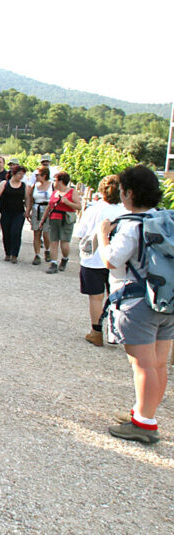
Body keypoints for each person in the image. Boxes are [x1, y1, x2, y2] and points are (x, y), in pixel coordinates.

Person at [97, 165, 172, 444]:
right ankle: (144, 412)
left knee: (142, 365)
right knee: (159, 364)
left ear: (128, 193)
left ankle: (144, 424)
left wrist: (103, 235)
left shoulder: (131, 225)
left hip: (138, 301)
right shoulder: (165, 218)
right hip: (166, 298)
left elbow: (111, 260)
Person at [74, 175, 126, 346]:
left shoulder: (93, 210)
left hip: (93, 259)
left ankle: (96, 332)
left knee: (96, 297)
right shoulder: (125, 212)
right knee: (116, 297)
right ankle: (114, 332)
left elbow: (81, 234)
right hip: (118, 260)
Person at [41, 172, 82, 275]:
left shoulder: (72, 191)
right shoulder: (55, 192)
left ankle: (65, 258)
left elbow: (79, 206)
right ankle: (53, 263)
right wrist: (43, 219)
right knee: (53, 241)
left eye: (55, 180)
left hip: (66, 219)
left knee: (64, 242)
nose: (53, 182)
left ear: (61, 181)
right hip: (54, 218)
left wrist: (68, 202)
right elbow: (49, 206)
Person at [0, 164, 28, 263]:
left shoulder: (24, 186)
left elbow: (27, 199)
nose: (21, 176)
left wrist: (28, 210)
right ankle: (8, 253)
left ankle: (15, 254)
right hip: (5, 212)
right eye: (19, 174)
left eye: (23, 174)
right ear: (14, 173)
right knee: (7, 232)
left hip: (18, 213)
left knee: (16, 232)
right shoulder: (4, 184)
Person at [24, 166, 53, 265]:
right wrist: (28, 210)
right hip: (36, 209)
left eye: (38, 175)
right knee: (36, 233)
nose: (35, 177)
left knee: (46, 233)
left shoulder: (52, 185)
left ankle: (47, 250)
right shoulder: (34, 186)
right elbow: (31, 199)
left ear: (44, 175)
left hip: (48, 210)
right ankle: (37, 255)